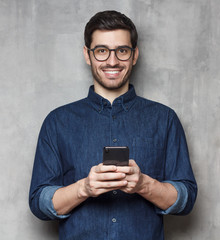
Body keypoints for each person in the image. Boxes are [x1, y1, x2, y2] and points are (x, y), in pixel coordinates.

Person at [29, 10, 197, 240]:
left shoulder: (165, 119)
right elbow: (39, 202)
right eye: (101, 51)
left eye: (122, 51)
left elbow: (186, 199)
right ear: (87, 55)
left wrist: (144, 185)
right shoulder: (57, 122)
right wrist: (84, 188)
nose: (112, 61)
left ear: (135, 55)